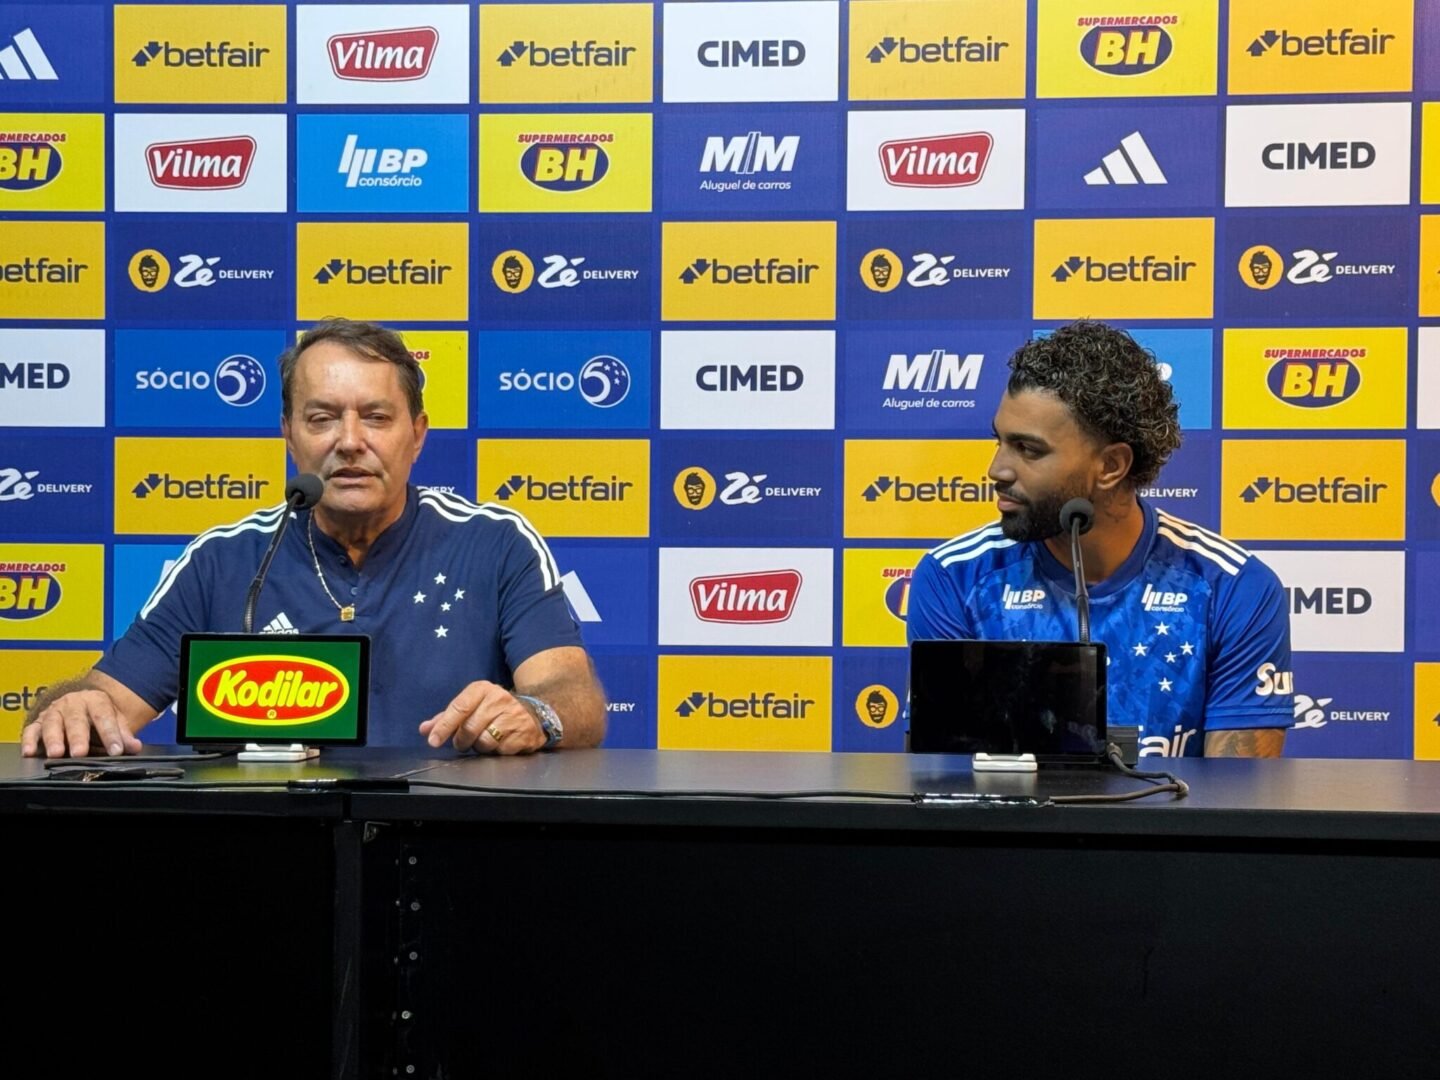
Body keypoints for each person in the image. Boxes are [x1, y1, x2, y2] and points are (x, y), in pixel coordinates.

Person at [23, 318, 606, 758]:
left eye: (376, 417)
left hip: (444, 845)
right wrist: (73, 709)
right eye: (322, 418)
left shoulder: (494, 543)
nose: (349, 441)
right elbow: (102, 702)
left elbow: (573, 694)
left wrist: (536, 713)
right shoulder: (225, 561)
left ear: (418, 435)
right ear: (289, 435)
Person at [906, 321, 1292, 758]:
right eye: (1000, 442)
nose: (997, 469)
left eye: (1028, 449)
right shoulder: (954, 578)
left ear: (1111, 465)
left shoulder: (1233, 588)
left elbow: (1237, 800)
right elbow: (946, 790)